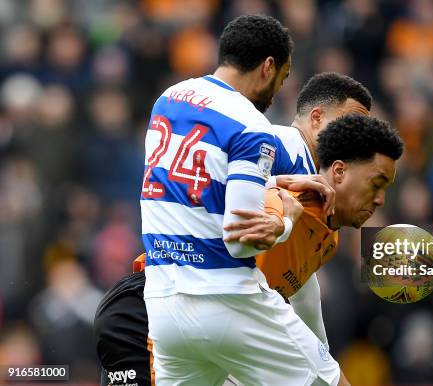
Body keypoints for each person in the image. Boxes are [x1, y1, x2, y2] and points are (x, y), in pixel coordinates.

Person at [140, 14, 341, 386]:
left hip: (163, 304)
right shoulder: (251, 125)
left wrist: (275, 178)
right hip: (226, 299)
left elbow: (195, 178)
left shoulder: (168, 100)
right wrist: (286, 220)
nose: (277, 91)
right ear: (268, 67)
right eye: (281, 79)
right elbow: (240, 239)